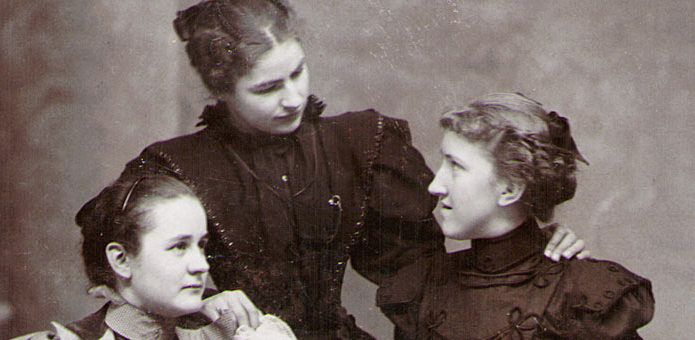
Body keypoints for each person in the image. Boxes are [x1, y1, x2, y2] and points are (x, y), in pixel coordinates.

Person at [106, 1, 587, 338]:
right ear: (222, 90)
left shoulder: (359, 144)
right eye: (268, 87)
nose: (292, 97)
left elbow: (423, 267)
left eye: (297, 73)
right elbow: (128, 262)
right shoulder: (178, 166)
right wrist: (200, 303)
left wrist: (529, 250)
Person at [377, 93, 655, 340]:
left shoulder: (578, 294)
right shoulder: (424, 286)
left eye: (456, 167)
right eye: (443, 162)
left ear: (509, 189)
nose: (435, 185)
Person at [14, 174, 296, 340]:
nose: (202, 265)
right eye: (179, 247)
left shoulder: (232, 331)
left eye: (202, 245)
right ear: (121, 260)